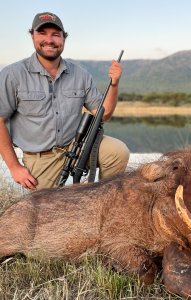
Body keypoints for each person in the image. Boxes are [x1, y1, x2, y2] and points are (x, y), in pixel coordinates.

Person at [0, 12, 130, 191]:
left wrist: (114, 84)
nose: (49, 39)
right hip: (40, 158)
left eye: (55, 34)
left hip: (76, 146)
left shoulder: (80, 74)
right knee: (44, 215)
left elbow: (103, 114)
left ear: (63, 38)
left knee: (118, 152)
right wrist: (14, 168)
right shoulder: (12, 74)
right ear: (32, 36)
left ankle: (103, 201)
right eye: (42, 33)